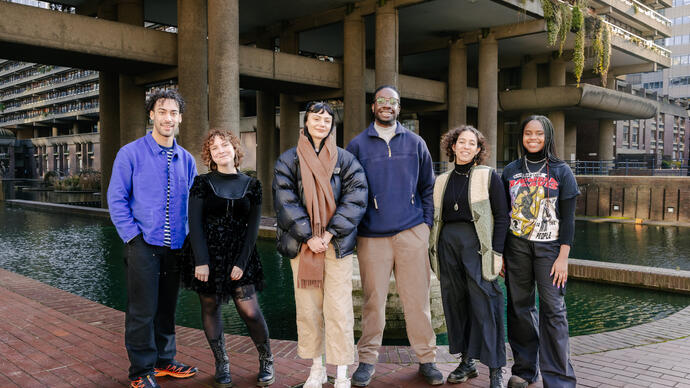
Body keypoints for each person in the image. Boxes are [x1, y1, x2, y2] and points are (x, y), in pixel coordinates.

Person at [346, 85, 442, 386]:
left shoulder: (415, 143)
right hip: (372, 237)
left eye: (393, 102)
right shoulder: (357, 145)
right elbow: (350, 190)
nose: (387, 106)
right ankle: (367, 360)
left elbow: (428, 187)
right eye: (382, 101)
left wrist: (425, 225)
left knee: (418, 300)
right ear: (373, 106)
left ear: (399, 108)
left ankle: (427, 359)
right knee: (373, 301)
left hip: (411, 232)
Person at [273, 101, 368, 388]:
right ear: (306, 123)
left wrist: (328, 234)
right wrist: (308, 235)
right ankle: (315, 369)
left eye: (327, 119)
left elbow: (357, 196)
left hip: (336, 245)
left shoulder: (345, 159)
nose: (321, 123)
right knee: (308, 309)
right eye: (316, 118)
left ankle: (341, 373)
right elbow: (284, 199)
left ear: (332, 126)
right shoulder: (289, 159)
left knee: (339, 310)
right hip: (303, 247)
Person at [108, 89, 198, 388]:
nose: (168, 118)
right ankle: (141, 371)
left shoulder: (186, 160)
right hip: (143, 244)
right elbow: (116, 199)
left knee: (167, 308)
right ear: (152, 115)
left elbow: (192, 206)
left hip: (175, 247)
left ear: (180, 118)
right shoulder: (130, 153)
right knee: (142, 311)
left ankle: (164, 361)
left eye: (173, 112)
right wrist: (133, 238)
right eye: (162, 111)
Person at [181, 128, 274, 387]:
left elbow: (253, 228)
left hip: (240, 255)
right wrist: (201, 261)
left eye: (224, 145)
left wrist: (241, 263)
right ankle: (222, 363)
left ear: (235, 148)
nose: (221, 150)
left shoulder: (253, 185)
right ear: (210, 155)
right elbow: (195, 223)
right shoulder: (201, 183)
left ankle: (266, 359)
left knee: (251, 311)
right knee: (210, 307)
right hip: (207, 256)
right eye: (214, 148)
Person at [428, 126, 509, 388]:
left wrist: (497, 252)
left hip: (477, 248)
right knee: (456, 304)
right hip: (447, 247)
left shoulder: (488, 176)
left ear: (478, 150)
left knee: (486, 303)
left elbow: (502, 217)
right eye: (460, 142)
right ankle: (467, 362)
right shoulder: (441, 180)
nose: (465, 147)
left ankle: (496, 368)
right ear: (452, 146)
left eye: (471, 143)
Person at [502, 115, 579, 388]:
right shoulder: (510, 170)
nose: (533, 138)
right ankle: (524, 370)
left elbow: (569, 219)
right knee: (519, 309)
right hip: (516, 247)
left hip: (550, 249)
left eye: (538, 134)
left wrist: (563, 257)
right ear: (521, 137)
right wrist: (500, 253)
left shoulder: (561, 171)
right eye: (527, 133)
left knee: (554, 311)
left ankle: (559, 379)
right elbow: (503, 215)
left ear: (548, 136)